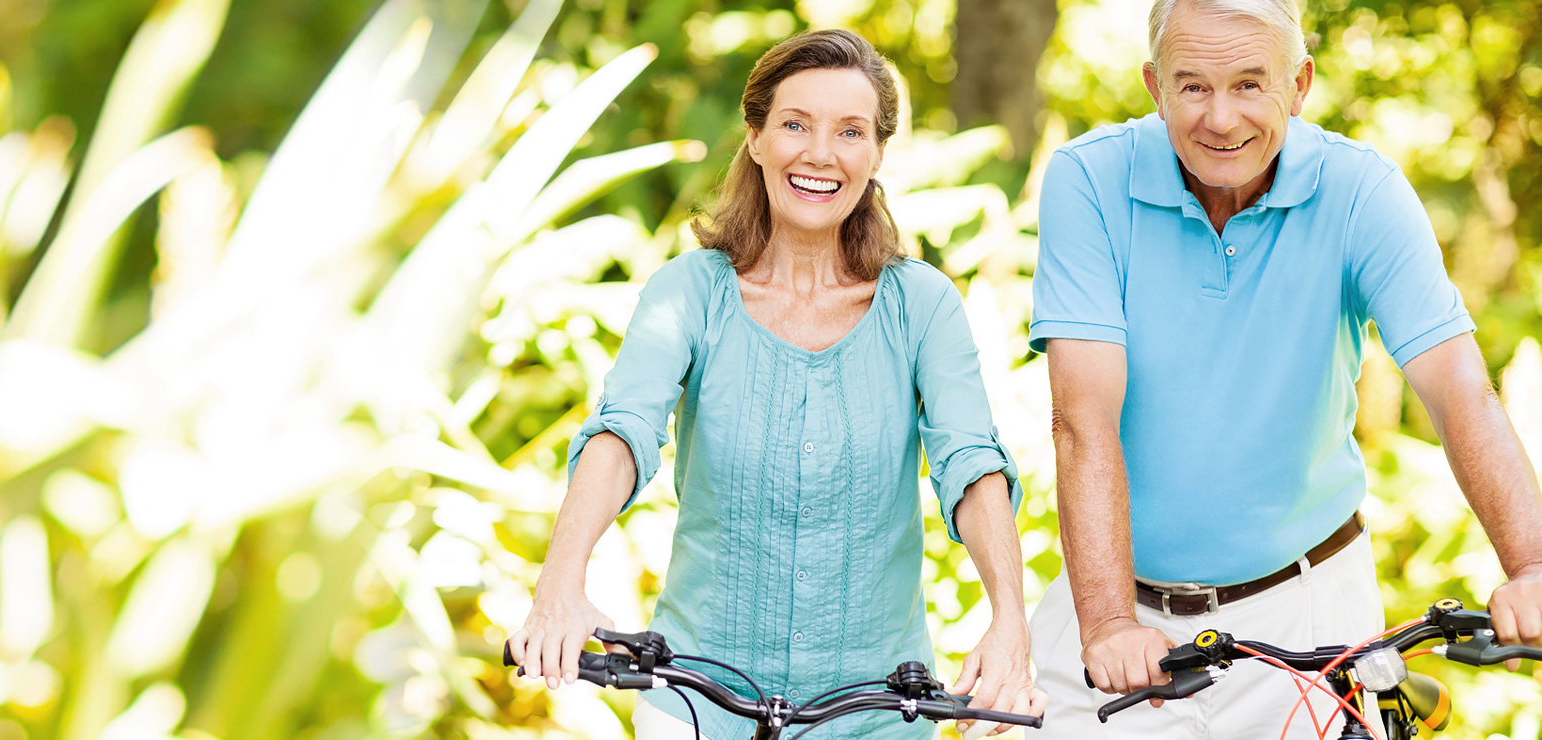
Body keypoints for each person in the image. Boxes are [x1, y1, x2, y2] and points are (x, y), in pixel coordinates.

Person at [503, 28, 1046, 740]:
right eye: (796, 124)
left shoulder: (923, 305)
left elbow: (970, 462)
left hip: (876, 710)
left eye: (849, 131)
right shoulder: (690, 292)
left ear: (876, 153)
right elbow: (624, 430)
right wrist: (560, 583)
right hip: (698, 696)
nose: (820, 153)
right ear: (756, 136)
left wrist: (1009, 621)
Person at [1026, 0, 1542, 737]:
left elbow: (1457, 388)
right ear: (1154, 87)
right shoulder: (1090, 180)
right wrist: (1107, 620)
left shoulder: (1362, 190)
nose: (1222, 118)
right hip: (1123, 612)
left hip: (1308, 608)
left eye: (1249, 84)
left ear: (1299, 85)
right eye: (1193, 85)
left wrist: (1531, 567)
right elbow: (1082, 418)